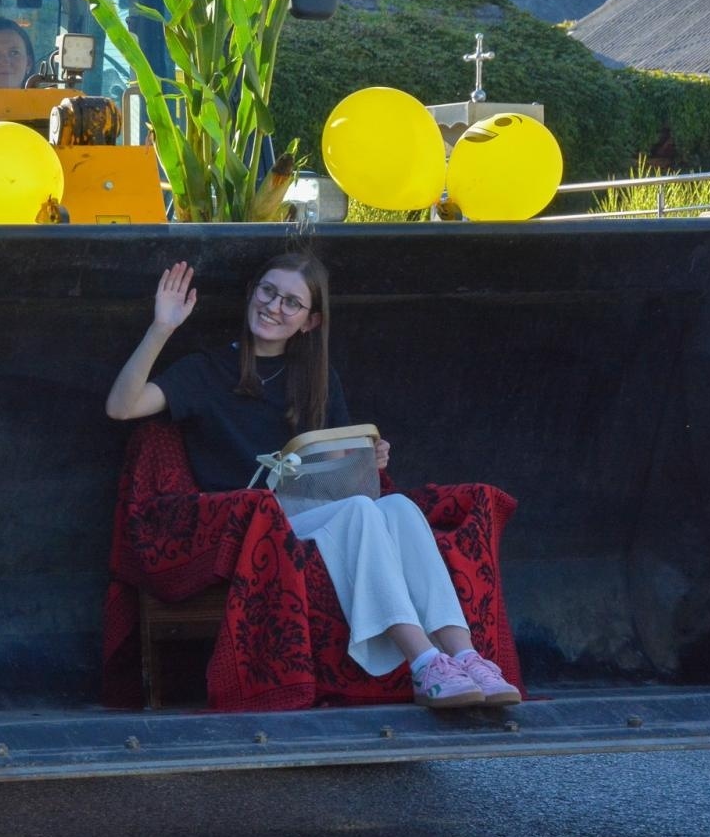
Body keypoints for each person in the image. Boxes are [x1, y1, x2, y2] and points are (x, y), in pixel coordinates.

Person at [105, 252, 521, 708]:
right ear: (251, 294)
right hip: (253, 524)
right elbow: (121, 407)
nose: (274, 307)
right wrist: (162, 327)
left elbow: (338, 465)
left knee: (399, 508)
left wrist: (370, 457)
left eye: (291, 302)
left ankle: (466, 657)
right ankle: (424, 663)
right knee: (363, 511)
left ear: (310, 320)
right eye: (267, 291)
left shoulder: (317, 380)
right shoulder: (206, 371)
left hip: (315, 510)